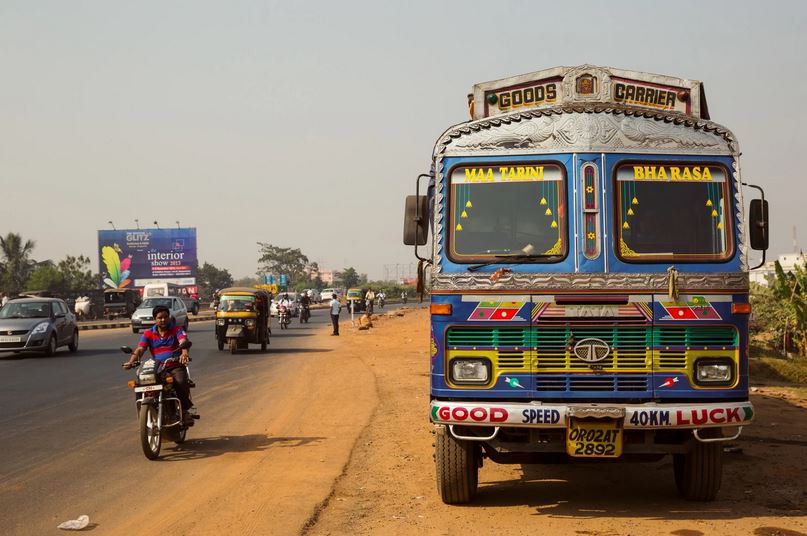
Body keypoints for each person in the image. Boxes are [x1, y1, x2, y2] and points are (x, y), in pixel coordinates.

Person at [122, 305, 195, 424]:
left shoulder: (177, 330)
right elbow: (140, 349)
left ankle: (185, 411)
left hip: (174, 365)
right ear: (154, 319)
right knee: (141, 383)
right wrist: (131, 362)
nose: (163, 320)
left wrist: (184, 354)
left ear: (169, 317)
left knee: (181, 382)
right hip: (157, 368)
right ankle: (144, 413)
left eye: (165, 317)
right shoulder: (148, 333)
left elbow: (183, 342)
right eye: (160, 317)